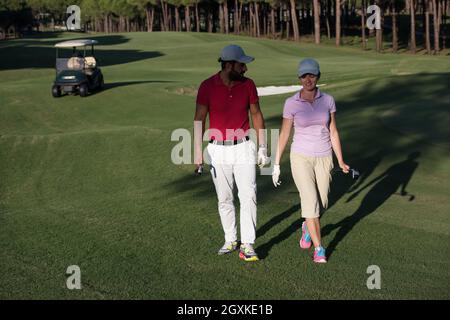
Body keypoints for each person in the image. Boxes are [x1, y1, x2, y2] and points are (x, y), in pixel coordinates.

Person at [194, 45, 268, 262]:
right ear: (228, 65)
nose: (245, 68)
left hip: (244, 146)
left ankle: (247, 245)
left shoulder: (248, 85)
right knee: (224, 198)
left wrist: (262, 147)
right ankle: (230, 239)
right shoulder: (207, 86)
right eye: (241, 64)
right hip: (217, 149)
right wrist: (198, 153)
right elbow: (199, 119)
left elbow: (257, 115)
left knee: (248, 196)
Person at [272, 58, 350, 263]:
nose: (308, 79)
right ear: (299, 78)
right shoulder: (291, 103)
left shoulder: (328, 100)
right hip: (300, 158)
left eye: (312, 75)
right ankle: (319, 248)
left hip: (324, 157)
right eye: (305, 75)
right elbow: (284, 134)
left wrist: (340, 161)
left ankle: (307, 225)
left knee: (321, 203)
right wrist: (277, 163)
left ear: (318, 77)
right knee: (310, 202)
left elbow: (333, 131)